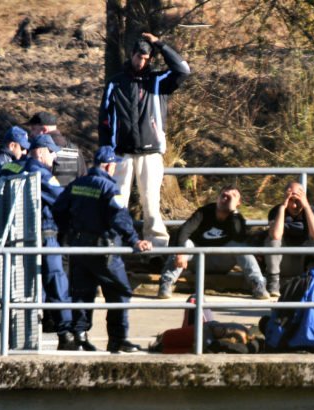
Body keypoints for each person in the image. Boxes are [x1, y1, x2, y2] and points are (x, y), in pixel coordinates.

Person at [55, 146, 153, 353]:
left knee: (82, 292)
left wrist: (67, 233)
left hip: (79, 248)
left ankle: (79, 337)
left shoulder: (77, 184)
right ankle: (117, 339)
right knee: (120, 291)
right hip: (103, 249)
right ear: (109, 165)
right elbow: (120, 218)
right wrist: (134, 240)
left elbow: (59, 209)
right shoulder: (109, 188)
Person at [98, 32, 191, 246]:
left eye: (147, 59)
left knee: (151, 203)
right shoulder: (114, 84)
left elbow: (183, 70)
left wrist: (160, 44)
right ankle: (116, 244)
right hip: (120, 154)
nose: (142, 62)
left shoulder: (158, 81)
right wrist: (105, 154)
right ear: (131, 55)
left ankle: (157, 247)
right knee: (117, 201)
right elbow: (104, 122)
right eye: (139, 57)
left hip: (150, 153)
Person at [0, 134, 73, 343]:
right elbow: (61, 200)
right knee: (56, 282)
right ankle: (65, 333)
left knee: (19, 285)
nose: (53, 160)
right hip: (43, 234)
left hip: (11, 236)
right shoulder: (40, 173)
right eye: (51, 154)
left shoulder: (11, 167)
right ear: (40, 152)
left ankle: (16, 335)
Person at [157, 186, 270, 300]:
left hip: (221, 261)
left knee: (240, 247)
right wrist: (180, 252)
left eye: (232, 197)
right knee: (186, 244)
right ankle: (166, 282)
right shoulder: (204, 212)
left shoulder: (237, 218)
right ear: (217, 198)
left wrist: (232, 211)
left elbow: (239, 237)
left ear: (238, 202)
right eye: (223, 196)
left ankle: (257, 283)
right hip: (197, 260)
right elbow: (184, 230)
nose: (226, 198)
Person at [265, 180, 314, 296]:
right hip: (284, 261)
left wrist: (306, 206)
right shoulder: (276, 210)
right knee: (272, 240)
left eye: (297, 201)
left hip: (304, 261)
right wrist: (283, 207)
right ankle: (273, 282)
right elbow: (276, 235)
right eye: (290, 200)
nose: (293, 205)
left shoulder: (312, 210)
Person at [26, 111, 86, 187]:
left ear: (44, 130)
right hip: (69, 196)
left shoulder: (38, 150)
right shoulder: (74, 149)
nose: (31, 133)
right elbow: (83, 178)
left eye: (33, 129)